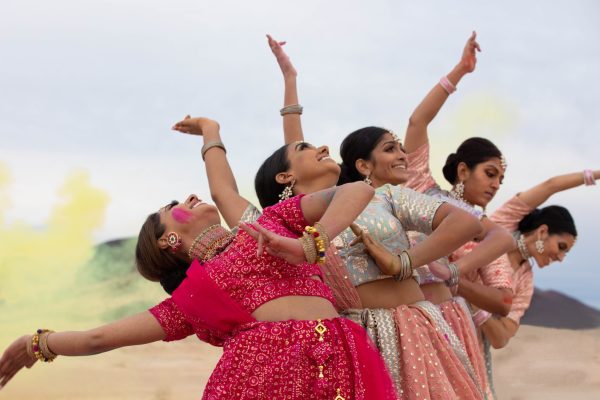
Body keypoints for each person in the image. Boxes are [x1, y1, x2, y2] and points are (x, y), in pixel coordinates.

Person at [0, 118, 399, 400]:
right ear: (168, 240)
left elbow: (357, 191)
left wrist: (309, 245)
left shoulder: (271, 222)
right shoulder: (190, 301)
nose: (188, 198)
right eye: (173, 206)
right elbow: (97, 338)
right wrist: (36, 343)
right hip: (263, 383)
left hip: (343, 361)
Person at [183, 36, 486, 398]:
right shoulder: (275, 228)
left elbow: (466, 223)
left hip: (420, 331)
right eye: (308, 148)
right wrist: (210, 131)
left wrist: (403, 263)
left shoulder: (381, 195)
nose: (322, 147)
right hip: (353, 346)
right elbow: (224, 193)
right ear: (285, 178)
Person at [402, 32, 515, 399]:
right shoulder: (422, 191)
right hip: (402, 320)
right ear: (463, 171)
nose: (496, 184)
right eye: (490, 173)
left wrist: (453, 275)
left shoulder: (488, 231)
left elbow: (501, 302)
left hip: (456, 329)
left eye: (501, 178)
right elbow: (418, 121)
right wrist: (461, 71)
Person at [481, 169, 598, 348]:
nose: (560, 258)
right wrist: (596, 174)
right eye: (561, 247)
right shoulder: (502, 225)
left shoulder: (525, 280)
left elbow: (502, 337)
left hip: (470, 346)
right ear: (542, 232)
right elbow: (551, 186)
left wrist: (474, 305)